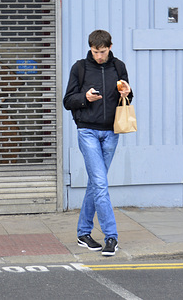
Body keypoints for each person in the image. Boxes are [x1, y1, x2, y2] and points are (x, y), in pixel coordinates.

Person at [63, 30, 133, 256]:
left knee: (96, 183)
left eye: (103, 52)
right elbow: (67, 101)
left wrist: (127, 92)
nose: (99, 56)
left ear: (110, 47)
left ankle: (83, 232)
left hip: (112, 131)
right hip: (88, 131)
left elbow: (127, 98)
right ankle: (111, 237)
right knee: (101, 185)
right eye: (95, 52)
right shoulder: (80, 68)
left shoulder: (119, 67)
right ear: (90, 48)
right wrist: (85, 98)